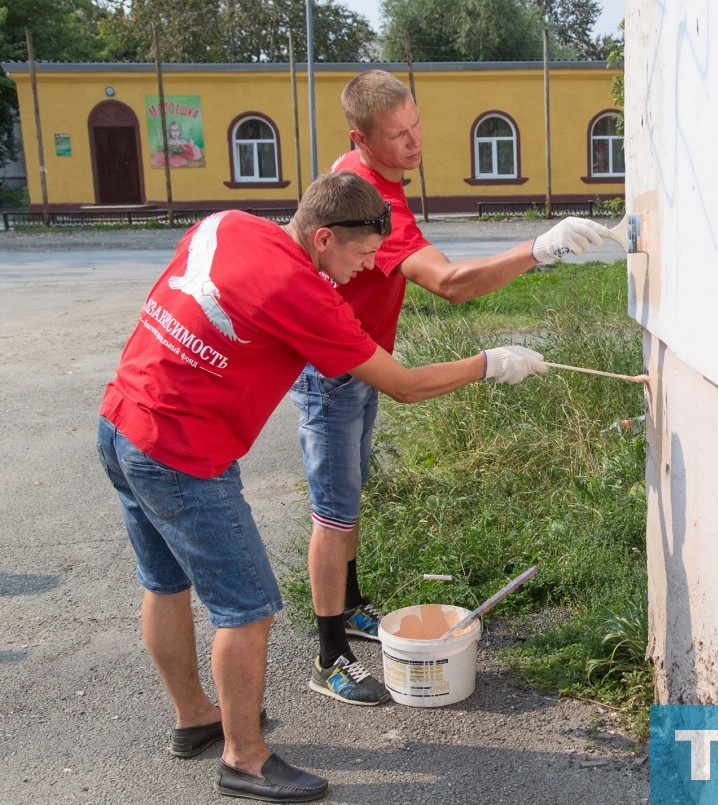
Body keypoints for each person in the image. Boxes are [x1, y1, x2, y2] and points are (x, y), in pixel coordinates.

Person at [96, 170, 549, 803]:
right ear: (324, 237)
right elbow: (404, 383)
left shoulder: (228, 223)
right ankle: (244, 759)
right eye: (362, 256)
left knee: (164, 583)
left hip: (120, 422)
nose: (367, 270)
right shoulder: (303, 293)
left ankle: (196, 717)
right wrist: (489, 363)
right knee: (248, 610)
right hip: (181, 452)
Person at [291, 69, 609, 707]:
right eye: (397, 136)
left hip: (363, 361)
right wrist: (539, 250)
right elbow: (452, 283)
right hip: (334, 371)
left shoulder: (356, 168)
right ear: (362, 139)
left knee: (349, 493)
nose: (413, 144)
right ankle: (329, 657)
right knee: (334, 510)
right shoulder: (364, 196)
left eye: (416, 127)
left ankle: (351, 607)